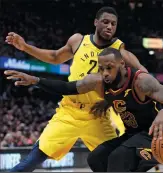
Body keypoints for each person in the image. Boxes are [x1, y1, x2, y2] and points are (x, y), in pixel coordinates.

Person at [5, 7, 147, 171]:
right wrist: (25, 47)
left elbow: (141, 75)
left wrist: (111, 101)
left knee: (115, 164)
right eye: (105, 22)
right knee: (32, 160)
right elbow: (55, 57)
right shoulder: (78, 41)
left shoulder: (119, 50)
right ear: (96, 22)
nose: (109, 27)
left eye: (113, 24)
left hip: (98, 116)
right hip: (69, 111)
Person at [5, 48, 163, 172]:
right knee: (96, 158)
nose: (105, 73)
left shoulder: (141, 82)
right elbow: (67, 88)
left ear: (122, 65)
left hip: (154, 135)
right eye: (101, 68)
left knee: (118, 157)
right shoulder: (99, 82)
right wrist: (36, 80)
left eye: (109, 68)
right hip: (132, 134)